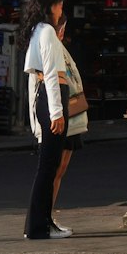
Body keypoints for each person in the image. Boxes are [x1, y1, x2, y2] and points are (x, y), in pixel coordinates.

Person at [21, 0, 71, 241]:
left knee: (46, 166)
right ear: (51, 6)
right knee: (47, 167)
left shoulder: (38, 31)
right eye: (60, 4)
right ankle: (39, 227)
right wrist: (56, 112)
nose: (62, 8)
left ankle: (36, 224)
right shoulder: (47, 33)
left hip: (44, 97)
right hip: (52, 97)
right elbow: (51, 74)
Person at [52, 16, 87, 235]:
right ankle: (46, 215)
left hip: (72, 114)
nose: (62, 33)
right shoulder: (51, 48)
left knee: (61, 169)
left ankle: (48, 214)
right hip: (63, 113)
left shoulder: (62, 49)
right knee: (55, 169)